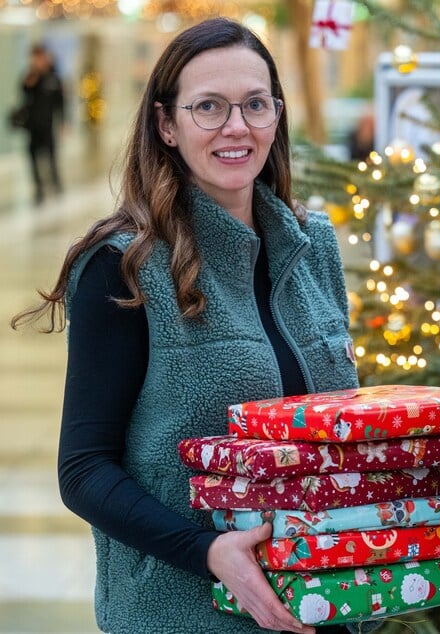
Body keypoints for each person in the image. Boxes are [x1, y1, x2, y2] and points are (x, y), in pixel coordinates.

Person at [11, 18, 364, 634]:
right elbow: (84, 470)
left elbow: (338, 425)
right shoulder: (127, 265)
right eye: (209, 107)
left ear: (276, 117)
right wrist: (206, 553)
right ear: (166, 125)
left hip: (321, 606)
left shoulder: (315, 247)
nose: (237, 126)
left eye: (255, 104)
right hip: (182, 614)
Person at [20, 43, 64, 204]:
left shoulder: (53, 78)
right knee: (33, 157)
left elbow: (60, 102)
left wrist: (63, 122)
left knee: (51, 157)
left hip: (48, 125)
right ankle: (38, 187)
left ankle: (56, 184)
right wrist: (31, 80)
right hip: (32, 126)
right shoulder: (30, 77)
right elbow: (24, 93)